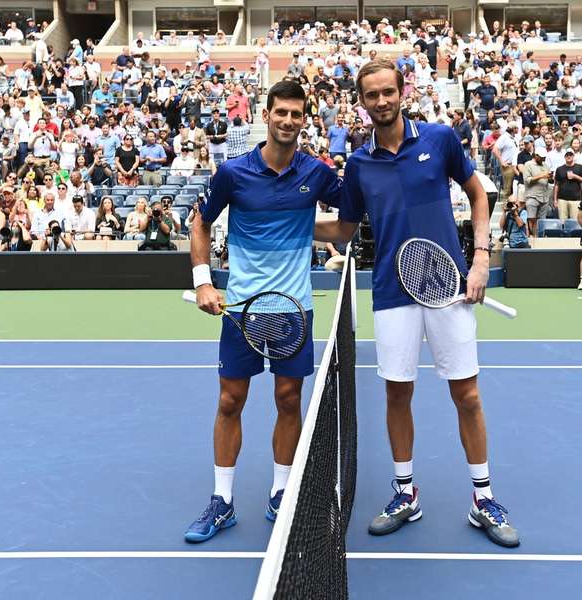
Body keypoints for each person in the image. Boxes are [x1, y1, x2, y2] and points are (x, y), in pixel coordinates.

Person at [314, 59, 520, 548]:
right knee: (396, 394)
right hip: (391, 291)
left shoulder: (439, 140)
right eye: (372, 95)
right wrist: (283, 219)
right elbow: (343, 229)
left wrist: (481, 258)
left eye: (388, 92)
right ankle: (405, 493)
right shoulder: (359, 164)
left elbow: (478, 194)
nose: (381, 101)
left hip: (449, 288)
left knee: (466, 395)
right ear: (361, 102)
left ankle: (483, 498)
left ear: (402, 91)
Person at [184, 80, 342, 544]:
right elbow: (200, 222)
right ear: (266, 114)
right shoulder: (233, 173)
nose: (288, 121)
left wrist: (343, 232)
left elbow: (350, 213)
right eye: (281, 113)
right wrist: (203, 281)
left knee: (288, 400)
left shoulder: (317, 173)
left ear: (304, 119)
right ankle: (222, 501)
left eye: (297, 114)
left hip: (294, 309)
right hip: (241, 312)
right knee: (230, 401)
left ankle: (280, 492)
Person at [521, 147, 551, 236]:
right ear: (536, 155)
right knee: (531, 218)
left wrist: (550, 178)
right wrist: (541, 176)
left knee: (542, 221)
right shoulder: (528, 164)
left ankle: (540, 238)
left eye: (544, 158)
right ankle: (531, 237)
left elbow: (548, 179)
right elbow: (527, 180)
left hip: (544, 196)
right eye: (542, 158)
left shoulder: (546, 165)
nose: (543, 159)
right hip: (532, 196)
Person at [553, 148, 582, 221]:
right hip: (562, 199)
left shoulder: (579, 167)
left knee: (575, 221)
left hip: (575, 199)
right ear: (564, 156)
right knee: (562, 222)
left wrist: (575, 176)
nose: (569, 156)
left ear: (573, 156)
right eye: (567, 155)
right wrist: (555, 200)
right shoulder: (559, 169)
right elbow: (556, 185)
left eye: (570, 155)